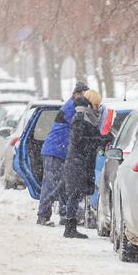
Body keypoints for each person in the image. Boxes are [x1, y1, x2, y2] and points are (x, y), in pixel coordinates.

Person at [36, 81, 89, 226]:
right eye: (82, 95)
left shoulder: (73, 106)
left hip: (59, 151)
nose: (84, 98)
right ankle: (43, 215)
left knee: (64, 185)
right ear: (75, 94)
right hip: (55, 151)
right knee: (51, 185)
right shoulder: (71, 107)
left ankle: (65, 215)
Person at [62, 90, 106, 239]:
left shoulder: (84, 117)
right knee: (73, 195)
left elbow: (88, 136)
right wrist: (98, 141)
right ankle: (70, 228)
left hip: (78, 161)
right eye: (96, 104)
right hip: (76, 162)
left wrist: (99, 139)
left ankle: (70, 226)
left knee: (74, 195)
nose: (97, 108)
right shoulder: (81, 117)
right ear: (90, 103)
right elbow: (80, 141)